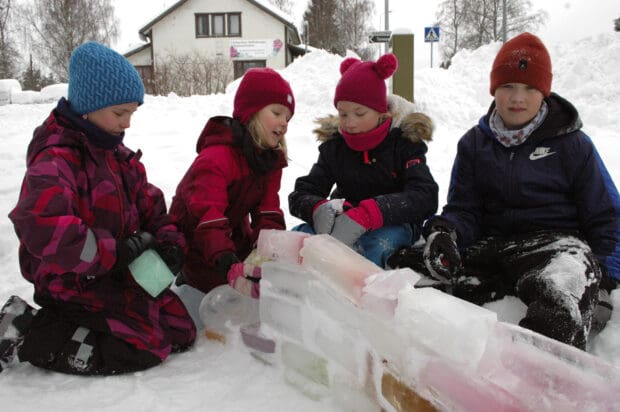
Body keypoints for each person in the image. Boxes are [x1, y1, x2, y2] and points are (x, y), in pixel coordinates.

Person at [388, 32, 620, 350]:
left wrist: (605, 278)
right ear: (494, 88)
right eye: (508, 86)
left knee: (565, 281)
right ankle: (423, 351)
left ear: (545, 92)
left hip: (552, 248)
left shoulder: (572, 145)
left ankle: (538, 365)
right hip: (492, 245)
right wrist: (448, 234)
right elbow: (464, 207)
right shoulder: (474, 144)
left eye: (529, 88)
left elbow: (604, 215)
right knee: (409, 265)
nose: (517, 98)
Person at [0, 42, 196, 375]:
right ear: (89, 105)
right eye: (120, 114)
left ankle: (74, 325)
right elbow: (43, 225)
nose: (127, 124)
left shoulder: (117, 156)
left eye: (132, 114)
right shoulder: (56, 159)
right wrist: (115, 251)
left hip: (111, 271)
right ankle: (24, 332)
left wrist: (168, 241)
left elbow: (151, 205)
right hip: (71, 277)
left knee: (179, 330)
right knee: (144, 345)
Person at [288, 53, 438, 268]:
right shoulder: (335, 147)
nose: (349, 123)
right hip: (344, 221)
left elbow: (425, 196)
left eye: (359, 113)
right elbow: (303, 191)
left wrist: (371, 213)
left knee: (374, 247)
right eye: (343, 114)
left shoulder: (404, 144)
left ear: (380, 112)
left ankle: (359, 296)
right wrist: (317, 208)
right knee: (300, 238)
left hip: (395, 223)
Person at [170, 68, 295, 299]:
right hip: (193, 240)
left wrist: (270, 249)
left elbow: (268, 211)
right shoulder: (216, 158)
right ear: (252, 113)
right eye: (277, 113)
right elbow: (207, 217)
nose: (284, 122)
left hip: (231, 231)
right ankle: (187, 279)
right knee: (226, 291)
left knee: (262, 280)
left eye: (287, 117)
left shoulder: (268, 160)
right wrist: (225, 260)